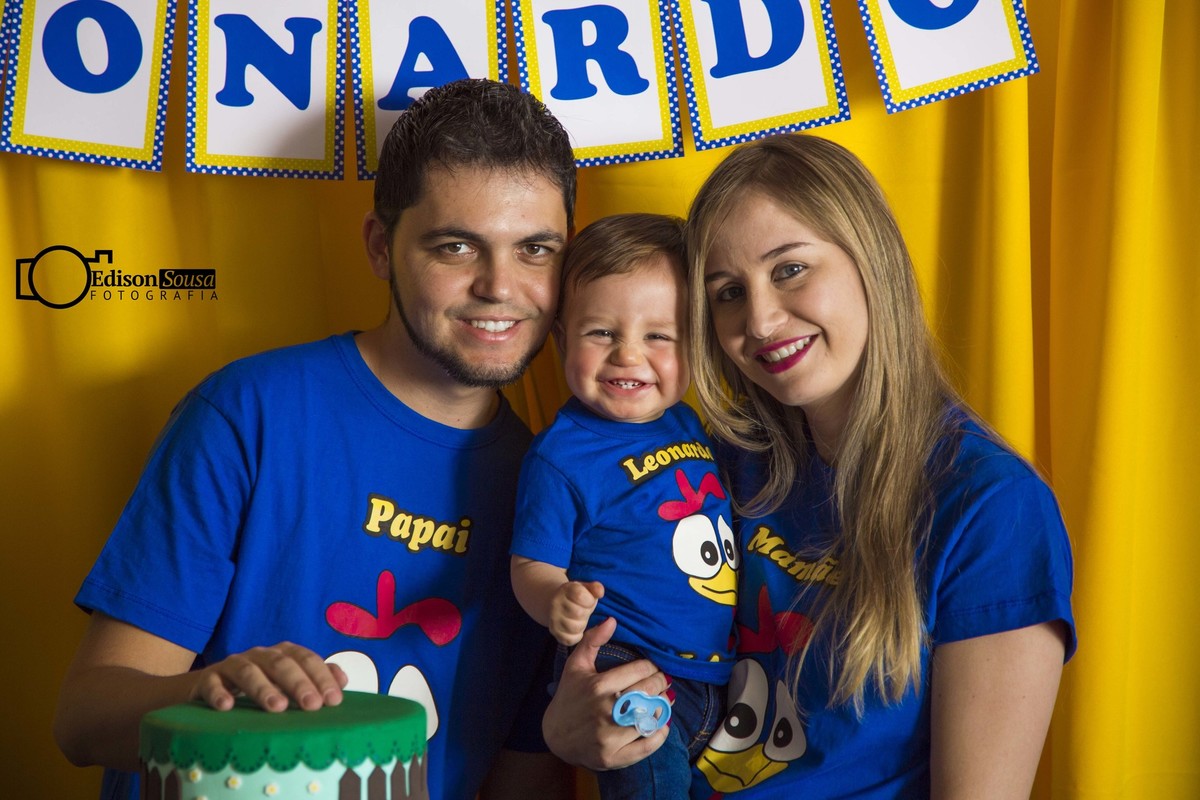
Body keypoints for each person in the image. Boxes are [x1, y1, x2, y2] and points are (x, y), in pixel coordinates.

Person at [54, 78, 578, 800]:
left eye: (535, 249)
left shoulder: (556, 485)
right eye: (456, 247)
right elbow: (82, 720)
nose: (500, 286)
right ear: (381, 247)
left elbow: (525, 780)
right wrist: (208, 697)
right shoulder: (247, 414)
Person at [542, 133, 1076, 798]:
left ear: (871, 260)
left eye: (790, 269)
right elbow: (616, 645)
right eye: (728, 292)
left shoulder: (992, 507)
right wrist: (567, 728)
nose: (761, 320)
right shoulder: (716, 464)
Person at [510, 214, 737, 798]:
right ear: (561, 338)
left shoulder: (690, 423)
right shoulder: (561, 456)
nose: (627, 356)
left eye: (659, 336)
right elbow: (530, 563)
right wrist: (555, 599)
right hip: (623, 661)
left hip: (715, 671)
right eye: (601, 333)